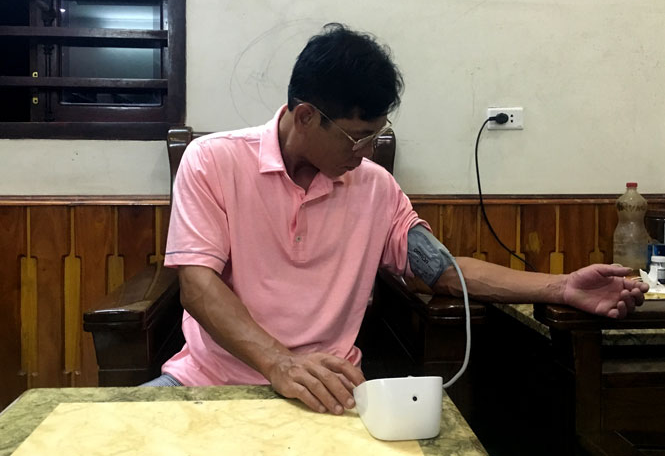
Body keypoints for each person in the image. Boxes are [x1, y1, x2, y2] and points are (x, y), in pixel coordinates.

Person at [147, 23, 648, 416]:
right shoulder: (212, 162)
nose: (366, 152)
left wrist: (562, 287)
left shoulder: (375, 188)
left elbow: (444, 271)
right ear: (305, 117)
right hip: (209, 383)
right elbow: (198, 286)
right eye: (356, 137)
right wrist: (279, 363)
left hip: (333, 392)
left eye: (376, 135)